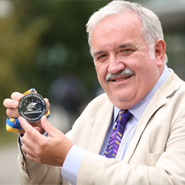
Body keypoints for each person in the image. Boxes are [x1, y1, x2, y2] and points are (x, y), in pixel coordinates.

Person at [3, 0, 185, 184]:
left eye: (126, 51)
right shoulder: (96, 108)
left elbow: (171, 181)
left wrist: (70, 158)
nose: (113, 67)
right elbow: (50, 181)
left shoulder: (181, 105)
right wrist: (37, 132)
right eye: (102, 56)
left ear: (158, 52)